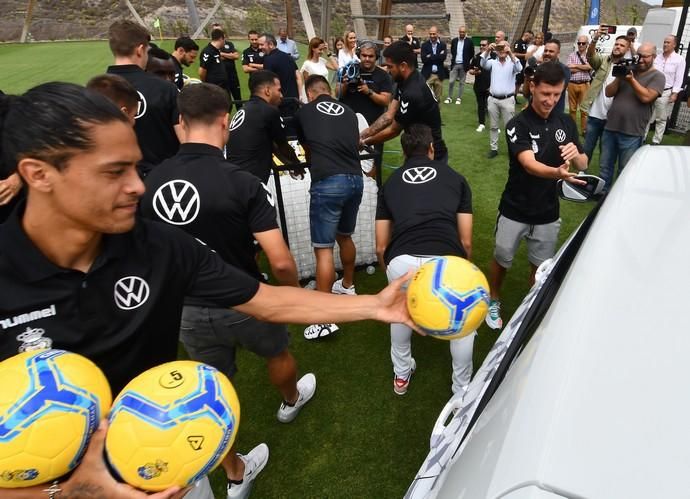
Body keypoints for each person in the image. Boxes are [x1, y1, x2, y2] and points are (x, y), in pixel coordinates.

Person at [0, 82, 414, 499]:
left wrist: (376, 304)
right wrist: (73, 493)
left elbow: (266, 300)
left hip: (171, 468)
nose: (137, 187)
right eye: (114, 172)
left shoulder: (157, 246)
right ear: (39, 174)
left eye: (134, 168)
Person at [140, 83, 316, 498]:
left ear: (179, 124)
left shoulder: (148, 181)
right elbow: (281, 260)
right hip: (246, 299)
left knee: (211, 392)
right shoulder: (241, 181)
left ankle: (235, 473)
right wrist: (292, 298)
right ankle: (291, 401)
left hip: (185, 309)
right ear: (225, 122)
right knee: (278, 352)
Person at [484, 62, 588, 330]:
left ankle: (529, 307)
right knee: (502, 257)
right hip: (515, 208)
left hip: (547, 211)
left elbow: (584, 163)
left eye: (556, 94)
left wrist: (574, 154)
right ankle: (493, 297)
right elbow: (529, 164)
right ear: (532, 87)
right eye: (546, 94)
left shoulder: (565, 121)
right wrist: (558, 173)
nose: (551, 101)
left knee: (539, 266)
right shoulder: (518, 124)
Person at [375, 124, 475, 396]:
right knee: (462, 322)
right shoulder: (456, 178)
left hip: (401, 260)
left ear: (404, 154)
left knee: (399, 313)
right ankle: (462, 389)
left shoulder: (390, 184)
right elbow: (465, 241)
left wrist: (392, 274)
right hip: (445, 260)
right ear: (431, 149)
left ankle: (401, 375)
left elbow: (381, 245)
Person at [293, 75, 364, 340]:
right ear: (328, 91)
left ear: (310, 94)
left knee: (323, 250)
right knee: (345, 235)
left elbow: (307, 148)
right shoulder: (348, 111)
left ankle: (323, 318)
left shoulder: (305, 111)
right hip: (355, 180)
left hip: (328, 181)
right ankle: (347, 285)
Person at [106, 20, 182, 177]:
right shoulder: (166, 89)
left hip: (116, 182)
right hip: (162, 182)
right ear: (140, 50)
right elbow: (186, 140)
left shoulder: (94, 91)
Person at [361, 41, 448, 162]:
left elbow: (394, 130)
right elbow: (389, 115)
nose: (388, 70)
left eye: (390, 66)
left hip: (430, 154)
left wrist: (364, 142)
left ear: (403, 66)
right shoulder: (406, 80)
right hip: (416, 149)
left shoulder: (413, 92)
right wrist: (363, 134)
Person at [599, 42, 665, 190]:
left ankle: (620, 197)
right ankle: (602, 196)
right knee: (605, 166)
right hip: (611, 126)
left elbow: (647, 97)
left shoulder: (658, 77)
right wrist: (620, 77)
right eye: (638, 56)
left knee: (625, 170)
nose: (640, 60)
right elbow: (608, 92)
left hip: (632, 131)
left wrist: (631, 80)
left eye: (645, 57)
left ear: (654, 57)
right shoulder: (629, 70)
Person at [226, 70, 300, 183]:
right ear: (267, 91)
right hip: (250, 183)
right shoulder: (269, 111)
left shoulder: (244, 111)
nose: (281, 95)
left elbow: (271, 147)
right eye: (279, 90)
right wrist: (297, 164)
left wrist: (289, 164)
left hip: (233, 180)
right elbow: (282, 146)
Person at [339, 40, 393, 178]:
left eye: (371, 56)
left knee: (372, 166)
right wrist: (345, 84)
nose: (367, 59)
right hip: (349, 125)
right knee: (347, 162)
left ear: (376, 57)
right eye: (363, 55)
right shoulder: (350, 69)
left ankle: (375, 194)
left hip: (373, 127)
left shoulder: (383, 76)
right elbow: (337, 94)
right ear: (359, 55)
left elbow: (386, 100)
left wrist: (368, 91)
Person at [580, 33, 630, 165]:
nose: (618, 47)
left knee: (606, 153)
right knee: (587, 148)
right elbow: (590, 56)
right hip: (595, 115)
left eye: (622, 45)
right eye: (616, 44)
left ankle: (602, 182)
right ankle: (581, 174)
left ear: (627, 49)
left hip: (612, 119)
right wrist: (595, 38)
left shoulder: (628, 69)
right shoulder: (603, 61)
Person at [480, 40, 522, 159]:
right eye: (500, 47)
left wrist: (510, 54)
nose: (502, 50)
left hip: (507, 100)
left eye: (505, 47)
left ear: (508, 48)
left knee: (510, 127)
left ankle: (512, 149)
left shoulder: (512, 63)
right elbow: (482, 64)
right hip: (493, 99)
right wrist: (488, 50)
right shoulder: (493, 62)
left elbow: (519, 68)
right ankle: (494, 148)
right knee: (493, 126)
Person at [647, 35, 685, 144]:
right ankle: (642, 137)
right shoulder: (657, 57)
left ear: (674, 45)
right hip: (652, 89)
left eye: (668, 42)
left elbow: (679, 78)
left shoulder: (679, 60)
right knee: (647, 116)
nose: (665, 44)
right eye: (664, 42)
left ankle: (656, 141)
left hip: (666, 92)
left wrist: (674, 93)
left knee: (661, 118)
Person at [261, 33, 302, 119]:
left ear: (271, 44)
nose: (260, 47)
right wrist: (300, 96)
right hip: (294, 101)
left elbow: (269, 83)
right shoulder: (288, 57)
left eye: (261, 44)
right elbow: (298, 76)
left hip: (279, 104)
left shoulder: (268, 60)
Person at [211, 23, 243, 111]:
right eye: (215, 30)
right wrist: (230, 55)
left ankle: (241, 118)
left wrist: (223, 54)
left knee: (238, 99)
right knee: (225, 101)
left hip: (233, 76)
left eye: (219, 30)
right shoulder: (212, 47)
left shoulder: (229, 44)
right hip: (221, 78)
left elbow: (236, 56)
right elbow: (218, 57)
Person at [567, 35, 592, 133]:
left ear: (587, 44)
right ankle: (573, 130)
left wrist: (576, 65)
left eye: (583, 43)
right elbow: (569, 68)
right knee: (572, 109)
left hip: (585, 84)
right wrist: (583, 67)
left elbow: (590, 67)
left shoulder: (590, 56)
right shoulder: (571, 55)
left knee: (584, 110)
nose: (581, 45)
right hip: (572, 84)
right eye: (579, 43)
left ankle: (584, 130)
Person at [538, 39, 570, 114]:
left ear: (558, 53)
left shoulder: (564, 70)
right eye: (545, 51)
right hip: (536, 112)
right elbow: (528, 93)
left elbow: (556, 89)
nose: (547, 53)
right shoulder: (539, 67)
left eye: (551, 51)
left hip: (554, 113)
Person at [468, 39, 492, 132]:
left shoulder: (494, 56)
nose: (481, 46)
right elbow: (470, 70)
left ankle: (494, 125)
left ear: (488, 46)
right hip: (479, 86)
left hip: (491, 86)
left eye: (484, 45)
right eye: (480, 45)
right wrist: (474, 72)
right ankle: (481, 123)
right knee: (481, 106)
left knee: (492, 107)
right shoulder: (476, 57)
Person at [446, 26, 474, 105]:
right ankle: (449, 97)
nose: (462, 33)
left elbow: (472, 53)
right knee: (451, 81)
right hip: (455, 64)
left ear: (465, 33)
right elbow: (452, 51)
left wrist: (467, 61)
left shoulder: (469, 41)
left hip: (464, 65)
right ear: (459, 32)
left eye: (463, 32)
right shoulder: (454, 41)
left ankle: (459, 98)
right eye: (460, 32)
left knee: (461, 83)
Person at [420, 26, 448, 102]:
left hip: (439, 75)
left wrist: (430, 56)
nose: (432, 36)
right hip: (428, 75)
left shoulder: (442, 45)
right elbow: (424, 59)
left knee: (438, 99)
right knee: (425, 97)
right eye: (431, 34)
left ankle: (437, 113)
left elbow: (443, 57)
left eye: (434, 34)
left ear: (437, 34)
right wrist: (438, 56)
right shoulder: (424, 45)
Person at [199, 28, 229, 93]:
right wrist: (206, 85)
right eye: (224, 39)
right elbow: (201, 72)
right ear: (221, 38)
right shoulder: (207, 51)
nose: (225, 41)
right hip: (214, 88)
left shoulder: (216, 50)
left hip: (222, 87)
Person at [513, 30, 533, 97]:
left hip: (523, 65)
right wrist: (525, 55)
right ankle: (512, 95)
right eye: (530, 38)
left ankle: (515, 96)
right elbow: (515, 54)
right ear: (526, 36)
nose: (530, 40)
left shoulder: (525, 44)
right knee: (516, 81)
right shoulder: (518, 43)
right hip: (518, 65)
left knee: (519, 81)